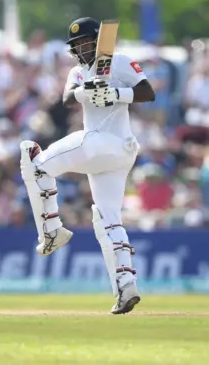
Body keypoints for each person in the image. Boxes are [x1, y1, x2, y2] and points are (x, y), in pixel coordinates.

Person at [19, 17, 155, 314]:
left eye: (86, 42)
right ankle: (125, 285)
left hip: (107, 142)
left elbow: (148, 92)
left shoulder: (119, 62)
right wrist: (85, 91)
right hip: (111, 156)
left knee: (34, 162)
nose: (81, 48)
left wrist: (117, 93)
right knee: (107, 218)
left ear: (97, 41)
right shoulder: (78, 71)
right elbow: (67, 98)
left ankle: (52, 231)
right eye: (76, 45)